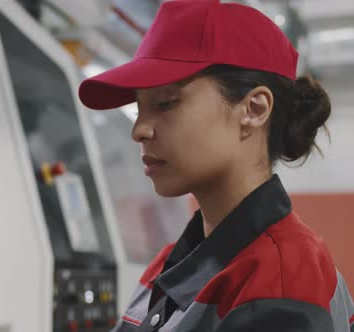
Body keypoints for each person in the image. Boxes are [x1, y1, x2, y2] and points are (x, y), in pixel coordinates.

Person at [78, 0, 354, 331]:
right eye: (140, 110)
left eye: (166, 103)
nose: (139, 130)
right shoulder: (166, 266)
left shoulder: (279, 281)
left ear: (253, 109)